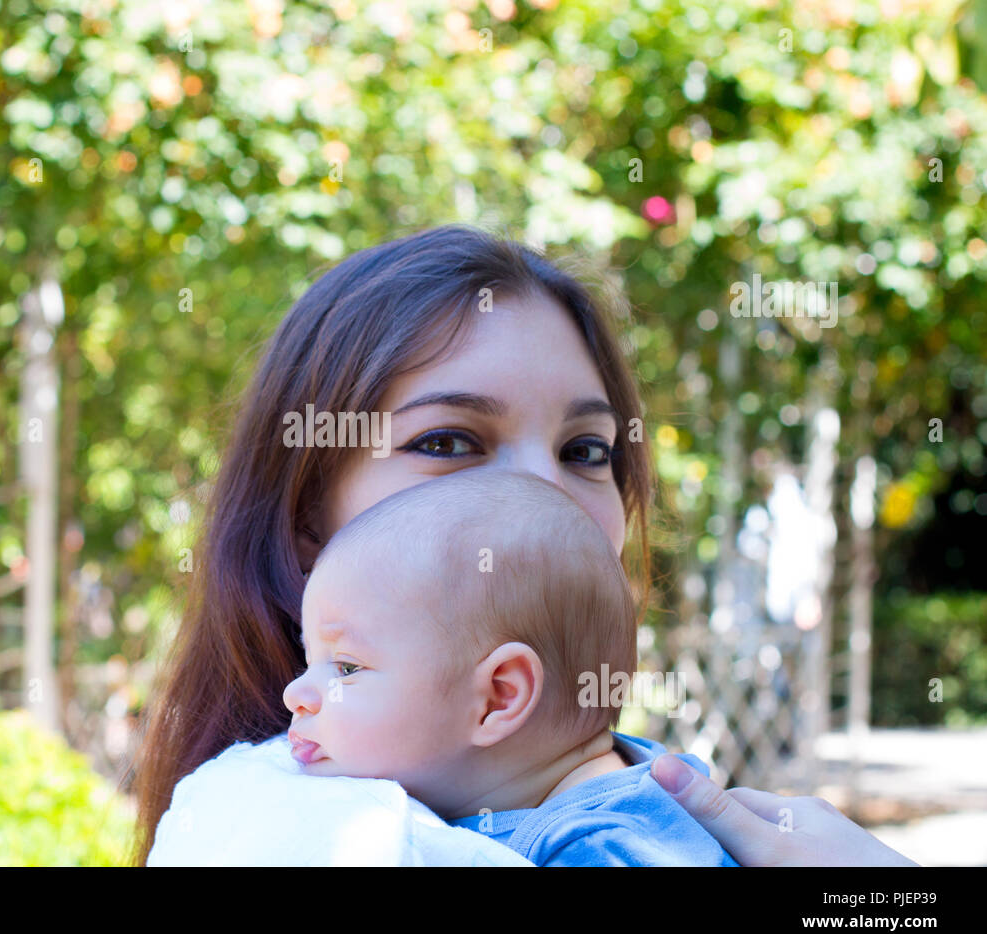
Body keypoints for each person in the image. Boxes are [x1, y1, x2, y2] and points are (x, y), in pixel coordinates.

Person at [132, 224, 916, 867]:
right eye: (447, 441)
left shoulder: (654, 819)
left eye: (586, 451)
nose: (547, 493)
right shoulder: (270, 824)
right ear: (305, 517)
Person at [285, 468, 738, 865]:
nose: (295, 693)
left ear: (498, 698)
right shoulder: (595, 787)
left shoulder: (598, 848)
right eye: (310, 661)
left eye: (346, 668)